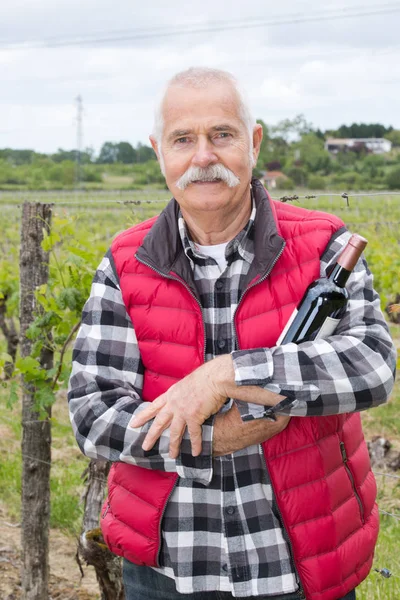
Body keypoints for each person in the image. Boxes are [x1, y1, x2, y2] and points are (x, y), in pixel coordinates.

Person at [68, 67, 396, 600]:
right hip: (168, 570)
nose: (203, 156)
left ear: (254, 142)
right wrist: (211, 440)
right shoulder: (125, 263)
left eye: (221, 134)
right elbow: (92, 412)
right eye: (183, 139)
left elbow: (373, 364)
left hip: (300, 566)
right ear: (159, 151)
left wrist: (227, 374)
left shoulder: (324, 246)